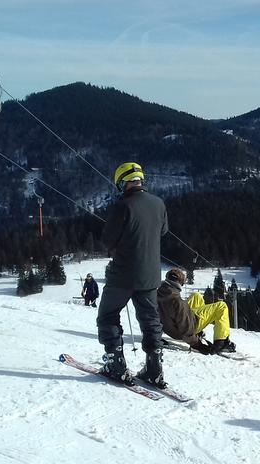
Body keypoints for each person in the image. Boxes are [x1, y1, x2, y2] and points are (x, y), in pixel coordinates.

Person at [97, 161, 169, 388]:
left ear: (121, 182)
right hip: (150, 275)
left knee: (108, 316)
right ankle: (154, 368)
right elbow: (163, 231)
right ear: (141, 179)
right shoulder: (159, 204)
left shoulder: (122, 206)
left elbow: (108, 240)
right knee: (151, 320)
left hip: (123, 275)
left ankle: (116, 364)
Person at [157, 268, 236, 354]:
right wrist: (199, 345)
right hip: (185, 329)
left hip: (171, 328)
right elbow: (186, 330)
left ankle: (199, 333)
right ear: (179, 283)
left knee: (196, 296)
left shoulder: (158, 294)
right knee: (221, 306)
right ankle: (221, 343)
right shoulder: (177, 302)